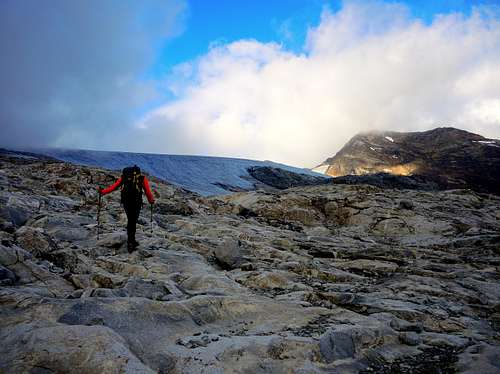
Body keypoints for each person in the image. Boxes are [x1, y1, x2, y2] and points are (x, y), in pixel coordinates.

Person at [99, 165, 155, 252]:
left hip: (126, 202)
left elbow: (114, 187)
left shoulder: (124, 177)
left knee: (130, 220)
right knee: (133, 221)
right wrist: (151, 200)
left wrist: (102, 192)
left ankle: (131, 241)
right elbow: (147, 192)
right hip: (137, 202)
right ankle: (131, 242)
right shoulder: (142, 178)